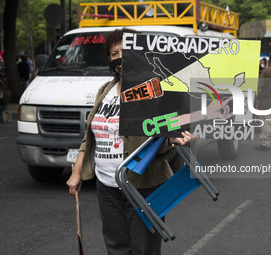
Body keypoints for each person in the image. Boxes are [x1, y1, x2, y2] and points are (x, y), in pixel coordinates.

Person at [66, 28, 193, 255]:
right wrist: (77, 171)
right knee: (116, 247)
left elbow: (164, 137)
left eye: (126, 52)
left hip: (144, 185)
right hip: (106, 185)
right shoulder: (104, 90)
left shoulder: (157, 89)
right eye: (114, 54)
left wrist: (174, 139)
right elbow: (90, 135)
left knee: (144, 248)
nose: (120, 58)